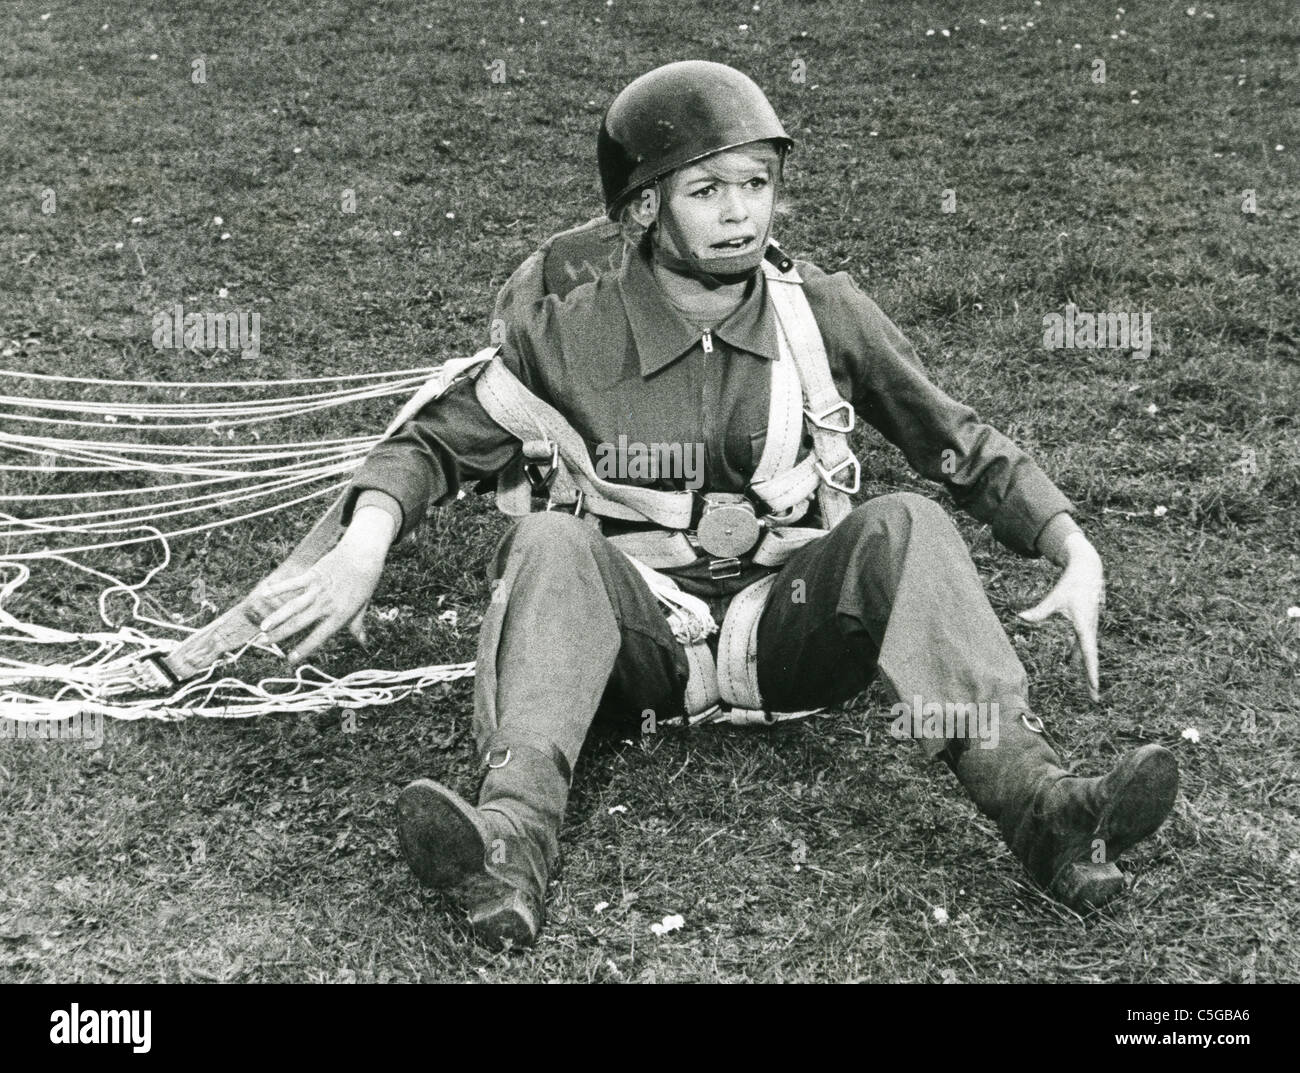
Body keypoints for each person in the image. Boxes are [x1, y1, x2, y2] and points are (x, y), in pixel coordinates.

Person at [248, 62, 1178, 948]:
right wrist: (365, 542)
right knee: (546, 539)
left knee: (908, 522)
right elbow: (431, 442)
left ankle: (1049, 813)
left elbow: (952, 438)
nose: (741, 211)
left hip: (790, 633)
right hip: (635, 648)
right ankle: (506, 847)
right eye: (707, 189)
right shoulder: (567, 324)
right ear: (645, 208)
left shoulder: (820, 309)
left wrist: (1070, 543)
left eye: (758, 181)